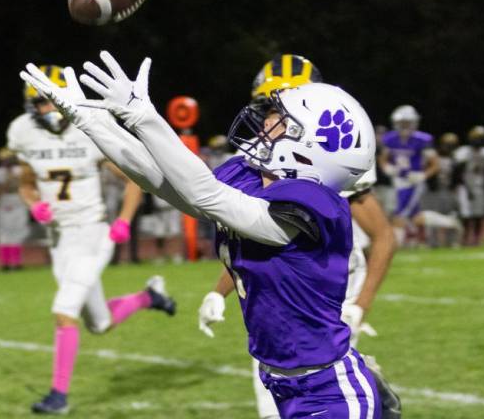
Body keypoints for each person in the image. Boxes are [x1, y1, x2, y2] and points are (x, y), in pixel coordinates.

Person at [21, 51, 382, 418]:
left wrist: (144, 117)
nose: (263, 126)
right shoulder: (249, 175)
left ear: (311, 146)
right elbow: (162, 182)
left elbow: (204, 194)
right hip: (280, 380)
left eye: (281, 122)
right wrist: (92, 121)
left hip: (326, 392)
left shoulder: (318, 204)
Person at [198, 54, 400, 419]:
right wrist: (219, 290)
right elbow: (256, 243)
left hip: (324, 301)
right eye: (268, 105)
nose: (274, 118)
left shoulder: (326, 157)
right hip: (277, 296)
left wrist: (360, 305)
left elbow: (384, 236)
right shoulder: (257, 161)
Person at [8, 64, 176, 414]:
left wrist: (124, 221)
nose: (50, 109)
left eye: (54, 101)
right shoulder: (22, 132)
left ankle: (58, 397)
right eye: (42, 103)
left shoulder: (87, 127)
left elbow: (134, 178)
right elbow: (25, 181)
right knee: (99, 323)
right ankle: (149, 297)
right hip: (58, 239)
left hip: (92, 232)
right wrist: (34, 203)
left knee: (63, 311)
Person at [380, 106, 462, 246]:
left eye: (407, 122)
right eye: (402, 123)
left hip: (413, 182)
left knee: (400, 215)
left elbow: (435, 164)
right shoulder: (390, 139)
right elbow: (383, 158)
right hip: (398, 182)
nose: (404, 126)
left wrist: (423, 176)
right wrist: (387, 167)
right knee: (415, 217)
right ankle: (450, 222)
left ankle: (395, 245)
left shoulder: (422, 139)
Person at [453, 126, 484, 246]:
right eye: (477, 138)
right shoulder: (463, 152)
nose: (479, 141)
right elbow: (459, 173)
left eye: (481, 138)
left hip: (480, 186)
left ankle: (477, 239)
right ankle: (463, 239)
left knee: (479, 214)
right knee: (465, 215)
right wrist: (467, 189)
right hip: (465, 186)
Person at [0, 147, 29, 271]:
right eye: (6, 160)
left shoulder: (21, 170)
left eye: (10, 159)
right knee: (4, 234)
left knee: (18, 233)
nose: (8, 162)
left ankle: (17, 262)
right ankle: (5, 263)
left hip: (19, 204)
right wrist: (8, 179)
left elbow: (26, 187)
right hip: (4, 206)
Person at [421, 133, 460, 247]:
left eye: (451, 144)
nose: (449, 147)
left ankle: (451, 241)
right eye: (447, 144)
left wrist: (454, 188)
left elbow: (457, 176)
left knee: (450, 215)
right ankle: (432, 241)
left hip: (447, 190)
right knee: (433, 215)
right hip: (433, 190)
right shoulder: (432, 158)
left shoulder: (454, 159)